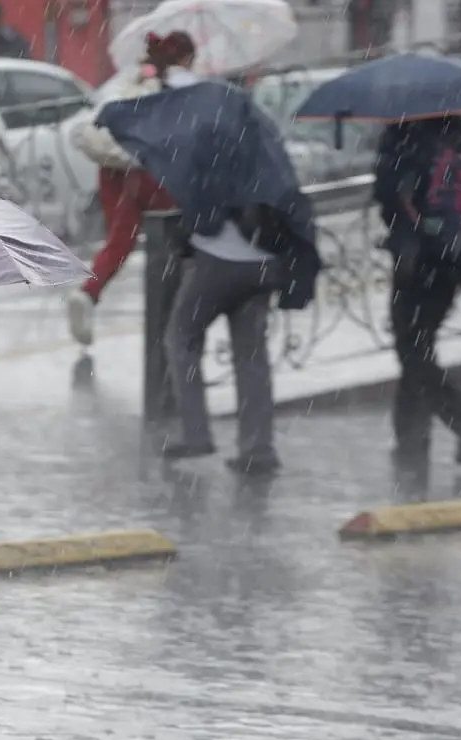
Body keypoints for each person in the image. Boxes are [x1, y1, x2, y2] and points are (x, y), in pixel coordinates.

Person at [148, 31, 283, 475]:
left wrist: (185, 238)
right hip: (264, 256)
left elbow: (201, 204)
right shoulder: (260, 135)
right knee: (251, 353)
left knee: (181, 336)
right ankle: (258, 447)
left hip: (220, 258)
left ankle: (196, 433)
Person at [374, 117, 461, 464]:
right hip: (456, 257)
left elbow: (387, 197)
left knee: (411, 346)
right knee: (419, 345)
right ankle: (412, 437)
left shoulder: (399, 138)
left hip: (417, 259)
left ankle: (454, 418)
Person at [69, 60, 173, 346]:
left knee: (119, 239)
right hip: (147, 169)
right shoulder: (173, 88)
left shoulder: (125, 82)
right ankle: (172, 312)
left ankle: (88, 292)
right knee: (177, 229)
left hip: (112, 168)